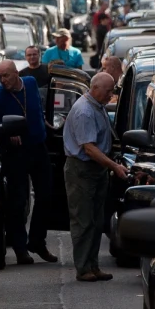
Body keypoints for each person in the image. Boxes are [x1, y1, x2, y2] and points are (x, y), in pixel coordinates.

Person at [63, 72, 127, 282]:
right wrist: (114, 166)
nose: (111, 95)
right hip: (83, 169)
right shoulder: (84, 111)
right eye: (109, 91)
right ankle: (83, 268)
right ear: (95, 88)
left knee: (97, 220)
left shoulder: (97, 106)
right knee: (83, 220)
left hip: (96, 169)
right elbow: (89, 149)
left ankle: (93, 264)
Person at [0, 60, 56, 264]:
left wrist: (46, 122)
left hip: (38, 147)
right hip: (16, 153)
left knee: (46, 195)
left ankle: (37, 241)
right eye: (0, 76)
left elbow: (37, 106)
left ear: (16, 73)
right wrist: (7, 133)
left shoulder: (30, 83)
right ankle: (21, 249)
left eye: (6, 76)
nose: (3, 80)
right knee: (18, 201)